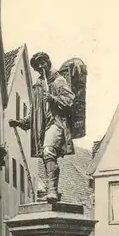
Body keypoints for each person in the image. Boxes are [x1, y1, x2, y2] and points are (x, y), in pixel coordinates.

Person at [9, 52, 75, 203]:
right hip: (43, 127)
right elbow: (34, 112)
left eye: (42, 63)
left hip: (56, 123)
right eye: (37, 65)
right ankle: (53, 191)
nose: (40, 67)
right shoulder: (37, 86)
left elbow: (69, 100)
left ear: (48, 62)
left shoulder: (58, 80)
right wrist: (20, 122)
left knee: (48, 150)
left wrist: (52, 98)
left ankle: (51, 190)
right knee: (47, 156)